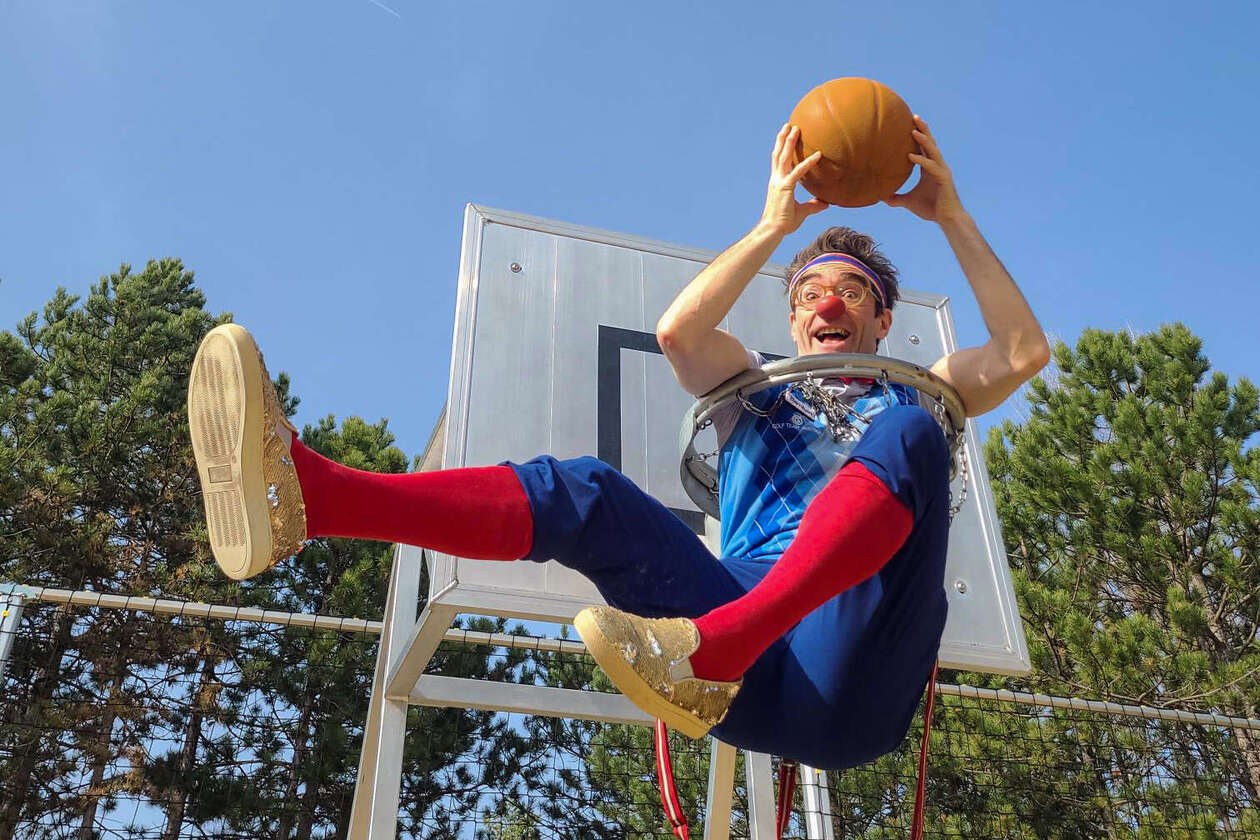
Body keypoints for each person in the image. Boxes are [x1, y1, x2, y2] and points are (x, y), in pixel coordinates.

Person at [187, 115, 1048, 770]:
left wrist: (950, 213)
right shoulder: (751, 387)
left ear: (881, 317)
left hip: (852, 666)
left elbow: (1022, 354)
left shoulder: (918, 395)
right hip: (724, 654)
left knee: (913, 425)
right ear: (791, 313)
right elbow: (678, 334)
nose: (827, 302)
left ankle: (726, 644)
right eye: (810, 289)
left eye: (850, 293)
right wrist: (773, 227)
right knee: (587, 490)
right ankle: (312, 499)